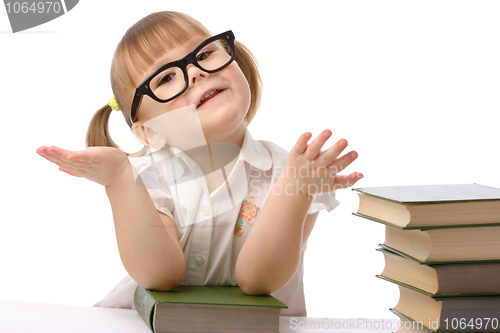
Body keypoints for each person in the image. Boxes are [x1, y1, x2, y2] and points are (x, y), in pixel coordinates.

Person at [36, 11, 363, 316]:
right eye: (165, 78)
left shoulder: (292, 172)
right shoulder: (151, 177)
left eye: (204, 54)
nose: (194, 72)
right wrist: (120, 180)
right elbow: (159, 274)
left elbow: (259, 281)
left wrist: (297, 188)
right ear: (149, 131)